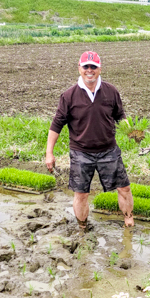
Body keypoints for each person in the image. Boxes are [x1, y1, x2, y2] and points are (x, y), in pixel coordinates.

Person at [46, 51, 134, 229]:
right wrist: (49, 153)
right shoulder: (69, 96)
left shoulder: (111, 91)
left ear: (99, 69)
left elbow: (120, 116)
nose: (89, 70)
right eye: (86, 66)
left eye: (93, 67)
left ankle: (129, 220)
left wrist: (131, 131)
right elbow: (56, 125)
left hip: (109, 150)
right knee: (81, 194)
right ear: (79, 68)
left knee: (124, 188)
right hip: (81, 153)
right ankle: (82, 228)